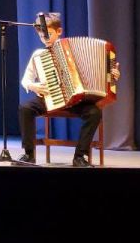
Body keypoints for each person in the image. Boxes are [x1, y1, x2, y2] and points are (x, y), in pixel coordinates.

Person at [17, 12, 119, 167]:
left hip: (76, 101)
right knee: (25, 108)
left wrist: (112, 75)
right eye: (41, 36)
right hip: (49, 98)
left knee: (94, 113)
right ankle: (28, 154)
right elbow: (25, 80)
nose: (45, 38)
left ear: (59, 31)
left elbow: (103, 74)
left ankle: (80, 156)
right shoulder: (39, 55)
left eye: (49, 34)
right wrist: (33, 86)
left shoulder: (70, 48)